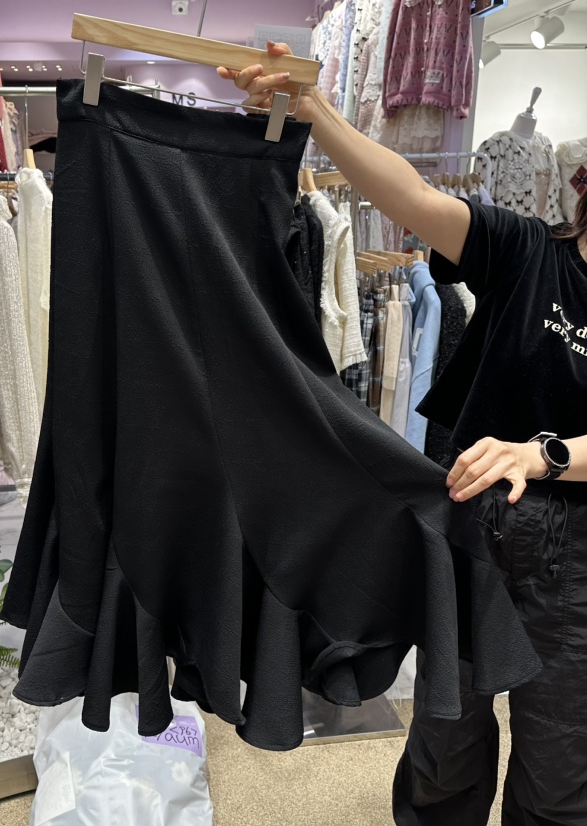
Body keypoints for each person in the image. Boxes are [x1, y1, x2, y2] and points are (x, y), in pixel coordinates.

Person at [219, 42, 587, 826]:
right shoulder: (529, 252)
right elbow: (414, 196)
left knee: (562, 765)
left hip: (578, 558)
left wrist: (544, 455)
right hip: (473, 522)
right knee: (445, 739)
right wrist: (316, 113)